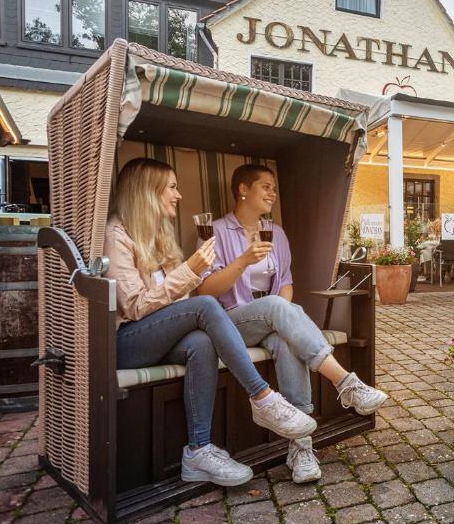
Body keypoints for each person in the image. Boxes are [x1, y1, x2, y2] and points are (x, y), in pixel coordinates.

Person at [105, 158, 317, 487]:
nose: (178, 195)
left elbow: (178, 299)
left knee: (202, 342)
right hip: (128, 341)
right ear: (147, 191)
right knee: (204, 305)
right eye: (172, 187)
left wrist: (189, 281)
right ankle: (262, 397)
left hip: (162, 335)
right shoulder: (116, 234)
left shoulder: (159, 234)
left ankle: (198, 451)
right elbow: (134, 306)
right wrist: (191, 271)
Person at [198, 164, 388, 484]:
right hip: (231, 323)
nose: (272, 193)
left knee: (286, 340)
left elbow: (285, 282)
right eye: (265, 186)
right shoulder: (215, 232)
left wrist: (281, 316)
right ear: (243, 189)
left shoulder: (276, 233)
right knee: (277, 307)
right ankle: (345, 383)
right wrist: (244, 261)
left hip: (272, 321)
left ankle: (301, 446)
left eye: (274, 188)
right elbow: (204, 290)